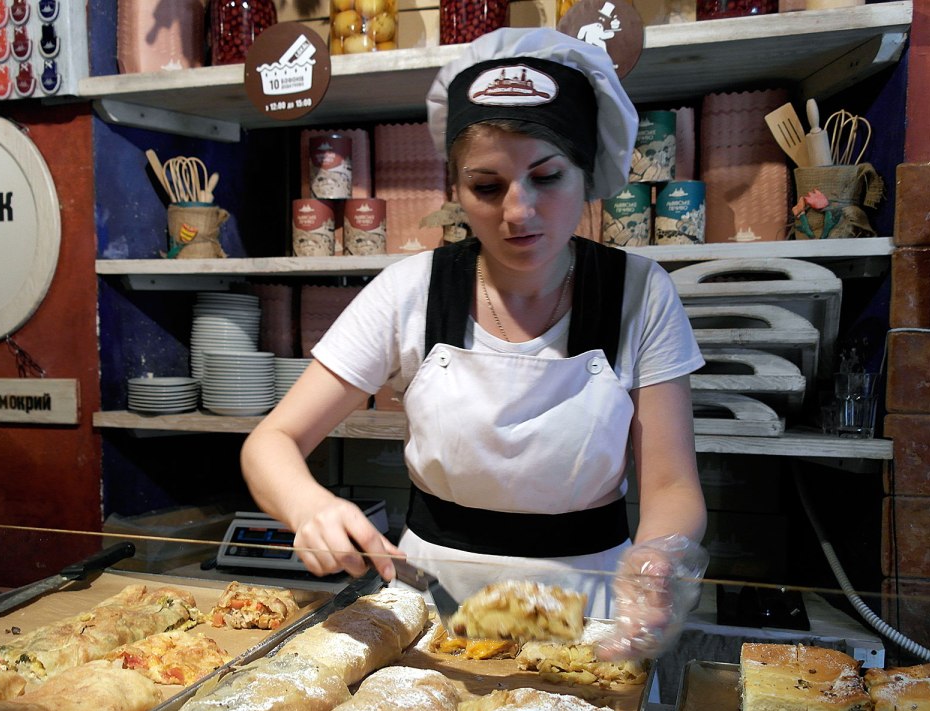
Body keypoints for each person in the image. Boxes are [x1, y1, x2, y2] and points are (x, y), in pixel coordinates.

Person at [242, 27, 708, 661]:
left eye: (547, 177)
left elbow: (672, 485)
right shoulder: (409, 290)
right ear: (456, 189)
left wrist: (656, 565)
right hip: (433, 604)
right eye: (487, 187)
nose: (520, 211)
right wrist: (308, 506)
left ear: (588, 172)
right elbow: (272, 441)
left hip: (592, 611)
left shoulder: (638, 293)